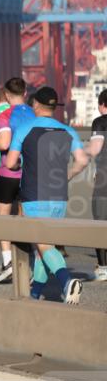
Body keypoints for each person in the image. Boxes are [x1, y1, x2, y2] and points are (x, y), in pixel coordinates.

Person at [5, 86, 89, 304]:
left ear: (35, 104)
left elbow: (11, 162)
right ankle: (35, 293)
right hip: (59, 195)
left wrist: (17, 167)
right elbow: (82, 160)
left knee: (42, 243)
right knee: (46, 243)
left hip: (34, 193)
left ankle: (66, 280)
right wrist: (68, 175)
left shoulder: (25, 128)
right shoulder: (66, 130)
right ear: (53, 107)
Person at [0, 78, 28, 283]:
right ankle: (26, 265)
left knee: (2, 219)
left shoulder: (4, 115)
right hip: (29, 174)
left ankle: (8, 263)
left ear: (7, 95)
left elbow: (3, 144)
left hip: (7, 174)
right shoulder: (34, 113)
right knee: (24, 219)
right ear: (25, 94)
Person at [88, 90, 107, 281]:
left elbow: (95, 150)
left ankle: (103, 267)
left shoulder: (100, 122)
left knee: (100, 222)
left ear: (102, 104)